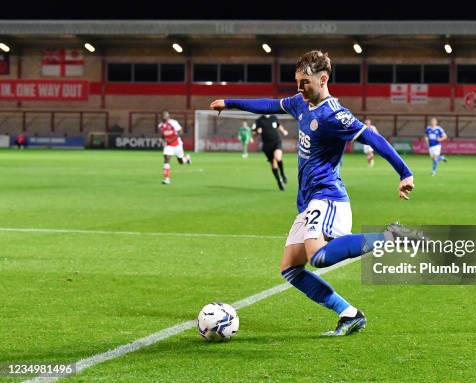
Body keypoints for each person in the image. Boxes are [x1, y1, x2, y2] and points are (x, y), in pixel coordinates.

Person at [210, 50, 414, 336]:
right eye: (297, 81)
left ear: (323, 79)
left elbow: (371, 137)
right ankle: (349, 314)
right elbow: (268, 103)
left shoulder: (335, 114)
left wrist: (404, 172)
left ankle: (390, 237)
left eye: (305, 82)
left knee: (317, 257)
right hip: (308, 202)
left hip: (328, 196)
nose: (299, 88)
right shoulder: (299, 103)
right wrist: (230, 101)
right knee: (290, 269)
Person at [252, 114, 289, 190]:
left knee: (278, 158)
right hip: (267, 145)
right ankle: (279, 181)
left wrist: (283, 131)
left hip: (276, 141)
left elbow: (278, 125)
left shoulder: (274, 117)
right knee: (273, 164)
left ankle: (282, 174)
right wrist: (257, 132)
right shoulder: (259, 120)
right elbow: (253, 133)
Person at [159, 110, 191, 185]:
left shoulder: (173, 123)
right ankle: (166, 179)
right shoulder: (160, 125)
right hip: (168, 145)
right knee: (166, 158)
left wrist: (172, 139)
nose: (164, 117)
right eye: (163, 115)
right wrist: (162, 139)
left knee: (181, 161)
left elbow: (181, 131)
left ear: (168, 116)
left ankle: (187, 158)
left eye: (166, 115)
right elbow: (164, 135)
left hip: (177, 144)